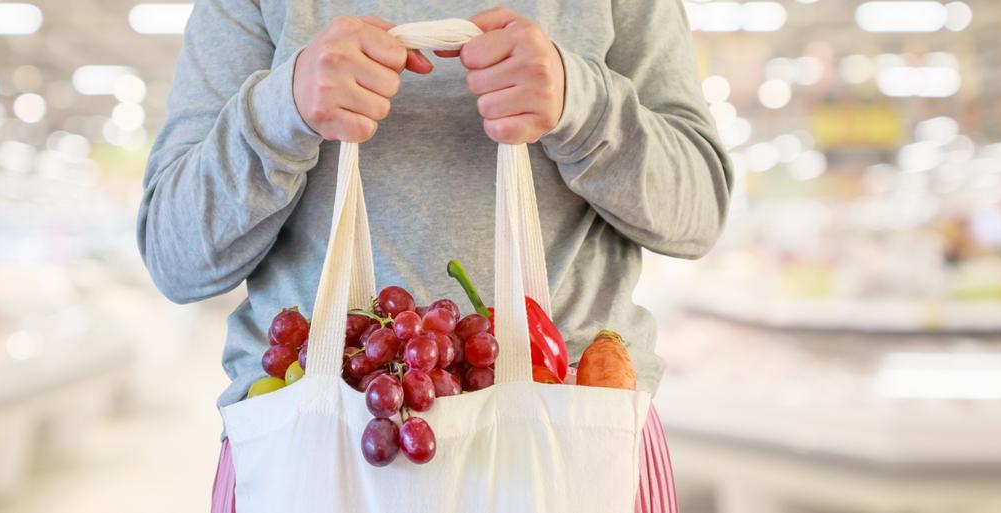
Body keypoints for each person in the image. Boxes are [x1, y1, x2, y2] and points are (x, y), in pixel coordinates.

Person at [138, 2, 731, 512]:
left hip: (575, 431)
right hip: (315, 442)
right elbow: (176, 254)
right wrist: (281, 111)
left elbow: (696, 213)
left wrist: (585, 105)